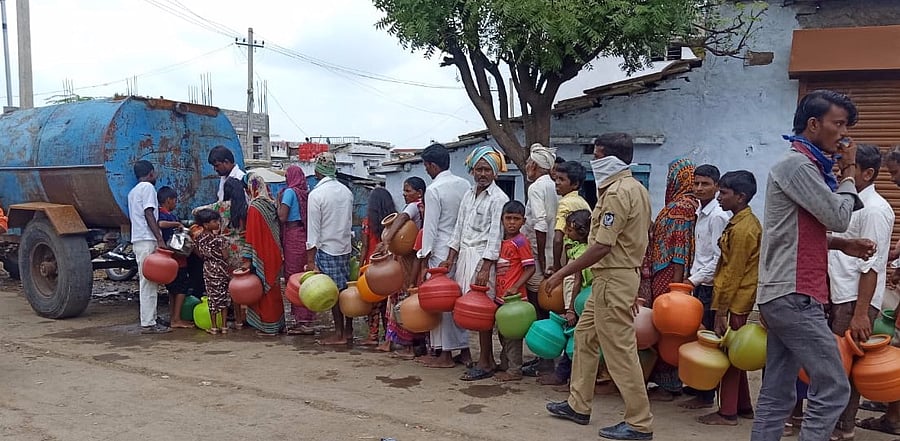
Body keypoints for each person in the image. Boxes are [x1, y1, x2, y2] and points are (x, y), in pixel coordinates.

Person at [752, 90, 873, 441]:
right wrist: (850, 170)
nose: (844, 134)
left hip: (785, 293)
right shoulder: (798, 165)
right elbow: (837, 215)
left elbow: (795, 232)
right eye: (838, 124)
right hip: (794, 294)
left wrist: (842, 245)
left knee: (778, 393)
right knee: (835, 385)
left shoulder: (807, 167)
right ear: (813, 124)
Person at [545, 133, 653, 441]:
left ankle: (639, 421)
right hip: (614, 277)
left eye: (597, 155)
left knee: (619, 350)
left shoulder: (619, 192)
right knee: (585, 337)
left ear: (608, 157)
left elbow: (602, 246)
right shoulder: (635, 189)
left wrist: (560, 274)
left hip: (613, 277)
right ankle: (578, 404)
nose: (594, 161)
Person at [826, 144, 893, 440]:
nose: (842, 172)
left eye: (849, 167)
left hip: (856, 301)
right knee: (837, 364)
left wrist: (862, 313)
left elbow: (872, 266)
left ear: (868, 173)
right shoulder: (850, 202)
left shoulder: (876, 209)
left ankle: (843, 428)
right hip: (841, 295)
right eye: (841, 166)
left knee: (846, 367)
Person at [696, 170, 761, 426]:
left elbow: (732, 273)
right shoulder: (738, 222)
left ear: (741, 197)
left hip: (736, 301)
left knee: (731, 354)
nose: (719, 198)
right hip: (735, 299)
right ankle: (743, 406)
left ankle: (728, 412)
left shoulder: (744, 229)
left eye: (724, 193)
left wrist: (721, 311)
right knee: (736, 352)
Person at [442, 145, 509, 381]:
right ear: (472, 171)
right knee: (467, 309)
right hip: (464, 257)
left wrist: (486, 267)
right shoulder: (469, 194)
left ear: (495, 172)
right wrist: (450, 257)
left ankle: (485, 361)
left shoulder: (500, 198)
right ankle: (485, 358)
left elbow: (495, 235)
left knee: (483, 310)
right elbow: (458, 228)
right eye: (479, 169)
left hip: (483, 259)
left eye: (487, 170)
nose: (482, 174)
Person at [643, 157, 697, 401]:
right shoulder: (684, 204)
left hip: (668, 275)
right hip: (665, 272)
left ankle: (669, 383)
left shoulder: (680, 207)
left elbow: (679, 246)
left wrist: (676, 286)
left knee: (668, 328)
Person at [857, 145, 900, 438]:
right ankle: (891, 408)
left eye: (896, 173)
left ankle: (894, 417)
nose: (894, 180)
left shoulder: (874, 210)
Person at [416, 143, 472, 369]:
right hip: (461, 248)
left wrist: (423, 257)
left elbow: (430, 227)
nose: (426, 171)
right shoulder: (464, 184)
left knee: (440, 301)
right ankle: (465, 351)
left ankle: (445, 354)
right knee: (457, 298)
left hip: (440, 250)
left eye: (426, 166)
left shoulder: (434, 190)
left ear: (431, 165)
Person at [680, 164, 730, 408]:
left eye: (705, 184)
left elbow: (719, 258)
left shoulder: (719, 215)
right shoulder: (701, 212)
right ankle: (698, 388)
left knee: (708, 339)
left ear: (716, 186)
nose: (699, 188)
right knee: (696, 335)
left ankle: (706, 396)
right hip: (699, 282)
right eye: (696, 183)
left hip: (709, 285)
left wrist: (693, 280)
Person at [538, 209, 593, 388]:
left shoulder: (582, 254)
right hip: (578, 300)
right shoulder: (581, 247)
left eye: (570, 230)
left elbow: (577, 281)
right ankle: (567, 378)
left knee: (573, 340)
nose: (567, 234)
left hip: (578, 303)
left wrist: (570, 309)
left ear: (582, 233)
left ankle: (564, 378)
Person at [307, 152, 354, 345]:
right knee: (345, 289)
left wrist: (310, 260)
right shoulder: (346, 192)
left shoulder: (316, 194)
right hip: (345, 246)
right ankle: (349, 329)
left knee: (332, 293)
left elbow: (313, 231)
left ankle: (339, 334)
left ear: (318, 170)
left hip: (327, 249)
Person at [521, 143, 559, 372]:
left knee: (540, 307)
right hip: (553, 254)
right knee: (550, 308)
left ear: (534, 165)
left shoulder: (536, 188)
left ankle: (544, 360)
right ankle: (546, 357)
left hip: (539, 256)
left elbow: (541, 222)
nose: (527, 166)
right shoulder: (554, 186)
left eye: (528, 163)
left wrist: (543, 262)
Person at [380, 177, 427, 358]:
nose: (404, 194)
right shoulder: (424, 208)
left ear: (419, 193)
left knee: (404, 298)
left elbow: (402, 218)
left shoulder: (414, 207)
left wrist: (387, 239)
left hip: (409, 260)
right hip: (416, 257)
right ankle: (418, 344)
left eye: (408, 191)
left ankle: (407, 346)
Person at [493, 200, 536, 382]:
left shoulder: (520, 241)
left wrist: (515, 286)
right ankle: (506, 364)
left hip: (515, 298)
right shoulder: (501, 241)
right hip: (501, 297)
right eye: (508, 218)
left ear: (523, 221)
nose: (511, 222)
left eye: (516, 219)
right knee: (503, 333)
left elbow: (530, 268)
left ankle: (514, 370)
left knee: (512, 336)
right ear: (502, 219)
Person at [127, 160, 171, 334]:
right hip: (147, 239)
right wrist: (159, 238)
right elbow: (148, 213)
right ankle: (148, 323)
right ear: (151, 173)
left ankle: (150, 317)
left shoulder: (133, 192)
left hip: (139, 239)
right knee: (149, 282)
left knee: (149, 281)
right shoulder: (148, 188)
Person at [242, 173, 285, 335]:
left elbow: (252, 235)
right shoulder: (270, 204)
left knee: (263, 289)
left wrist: (247, 258)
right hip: (274, 252)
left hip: (261, 252)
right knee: (273, 288)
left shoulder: (254, 207)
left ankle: (268, 325)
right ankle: (278, 324)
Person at [278, 165, 315, 335]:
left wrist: (276, 205)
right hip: (305, 235)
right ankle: (307, 316)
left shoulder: (289, 193)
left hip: (292, 235)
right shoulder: (305, 194)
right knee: (305, 275)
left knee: (293, 277)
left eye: (287, 175)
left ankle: (302, 321)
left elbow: (282, 216)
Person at [362, 187, 396, 347]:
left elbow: (364, 246)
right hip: (390, 267)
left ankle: (373, 334)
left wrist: (361, 265)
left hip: (372, 265)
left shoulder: (368, 221)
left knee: (373, 304)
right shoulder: (394, 222)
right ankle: (389, 337)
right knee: (387, 305)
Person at [157, 186, 193, 329]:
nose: (175, 203)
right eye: (174, 200)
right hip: (176, 259)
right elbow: (160, 224)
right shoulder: (163, 215)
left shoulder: (169, 214)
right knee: (181, 289)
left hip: (173, 259)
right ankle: (176, 319)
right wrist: (177, 224)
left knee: (173, 290)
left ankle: (173, 316)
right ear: (168, 200)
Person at [193, 208, 231, 335]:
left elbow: (199, 254)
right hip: (221, 269)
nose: (217, 223)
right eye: (214, 221)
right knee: (223, 297)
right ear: (206, 224)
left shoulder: (198, 239)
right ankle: (224, 326)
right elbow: (225, 256)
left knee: (212, 298)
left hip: (208, 268)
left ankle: (214, 327)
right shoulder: (220, 240)